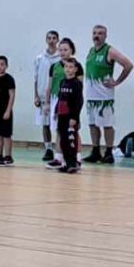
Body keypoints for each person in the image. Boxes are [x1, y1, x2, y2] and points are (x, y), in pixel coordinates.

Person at [82, 25, 134, 164]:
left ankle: (109, 152)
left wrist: (117, 81)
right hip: (91, 96)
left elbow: (128, 65)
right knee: (92, 124)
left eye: (100, 33)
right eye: (94, 33)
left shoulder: (109, 50)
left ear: (105, 36)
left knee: (107, 125)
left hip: (104, 96)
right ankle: (95, 151)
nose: (96, 35)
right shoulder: (91, 51)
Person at [52, 37, 83, 174]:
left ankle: (72, 163)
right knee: (63, 140)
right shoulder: (63, 82)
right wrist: (56, 111)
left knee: (71, 141)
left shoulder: (76, 84)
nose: (68, 69)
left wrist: (74, 117)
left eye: (71, 67)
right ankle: (65, 163)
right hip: (62, 116)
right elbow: (60, 98)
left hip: (71, 117)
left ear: (75, 69)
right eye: (66, 67)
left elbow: (78, 101)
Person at [32, 29, 60, 163]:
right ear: (46, 40)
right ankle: (48, 149)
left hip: (57, 96)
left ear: (57, 40)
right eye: (49, 38)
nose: (51, 40)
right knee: (45, 124)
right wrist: (36, 96)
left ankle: (60, 150)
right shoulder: (39, 58)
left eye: (54, 38)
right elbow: (36, 79)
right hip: (43, 96)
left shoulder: (61, 58)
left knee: (59, 125)